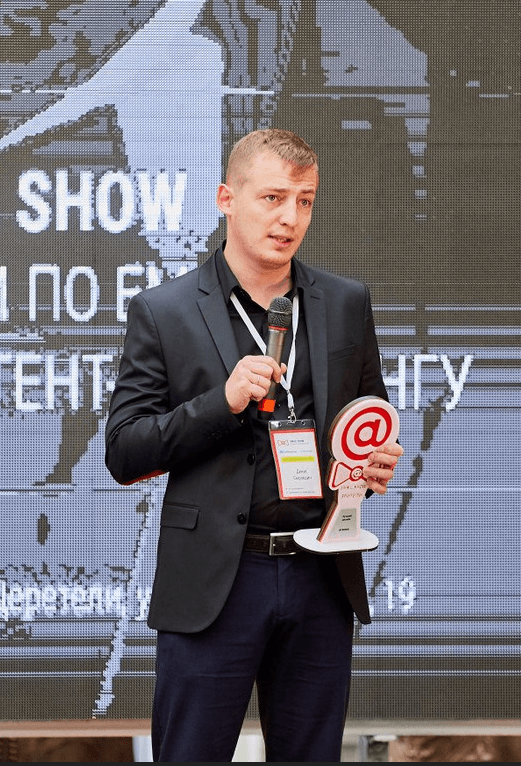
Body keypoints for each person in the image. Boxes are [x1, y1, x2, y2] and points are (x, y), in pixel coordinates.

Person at [105, 128, 403, 762]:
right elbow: (125, 451)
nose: (290, 218)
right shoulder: (165, 310)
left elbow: (367, 417)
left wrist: (373, 463)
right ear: (226, 199)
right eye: (272, 198)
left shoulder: (345, 303)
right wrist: (223, 402)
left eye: (304, 200)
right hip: (216, 578)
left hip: (320, 573)